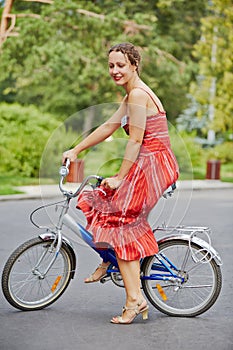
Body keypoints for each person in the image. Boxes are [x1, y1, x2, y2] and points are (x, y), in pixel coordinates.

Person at [62, 42, 179, 324]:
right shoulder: (131, 95)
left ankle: (134, 301)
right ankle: (109, 259)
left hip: (152, 165)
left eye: (121, 65)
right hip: (148, 162)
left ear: (134, 65)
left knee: (124, 225)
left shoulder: (138, 95)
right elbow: (108, 127)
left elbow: (136, 139)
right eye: (111, 65)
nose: (115, 70)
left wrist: (120, 177)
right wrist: (76, 150)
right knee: (102, 201)